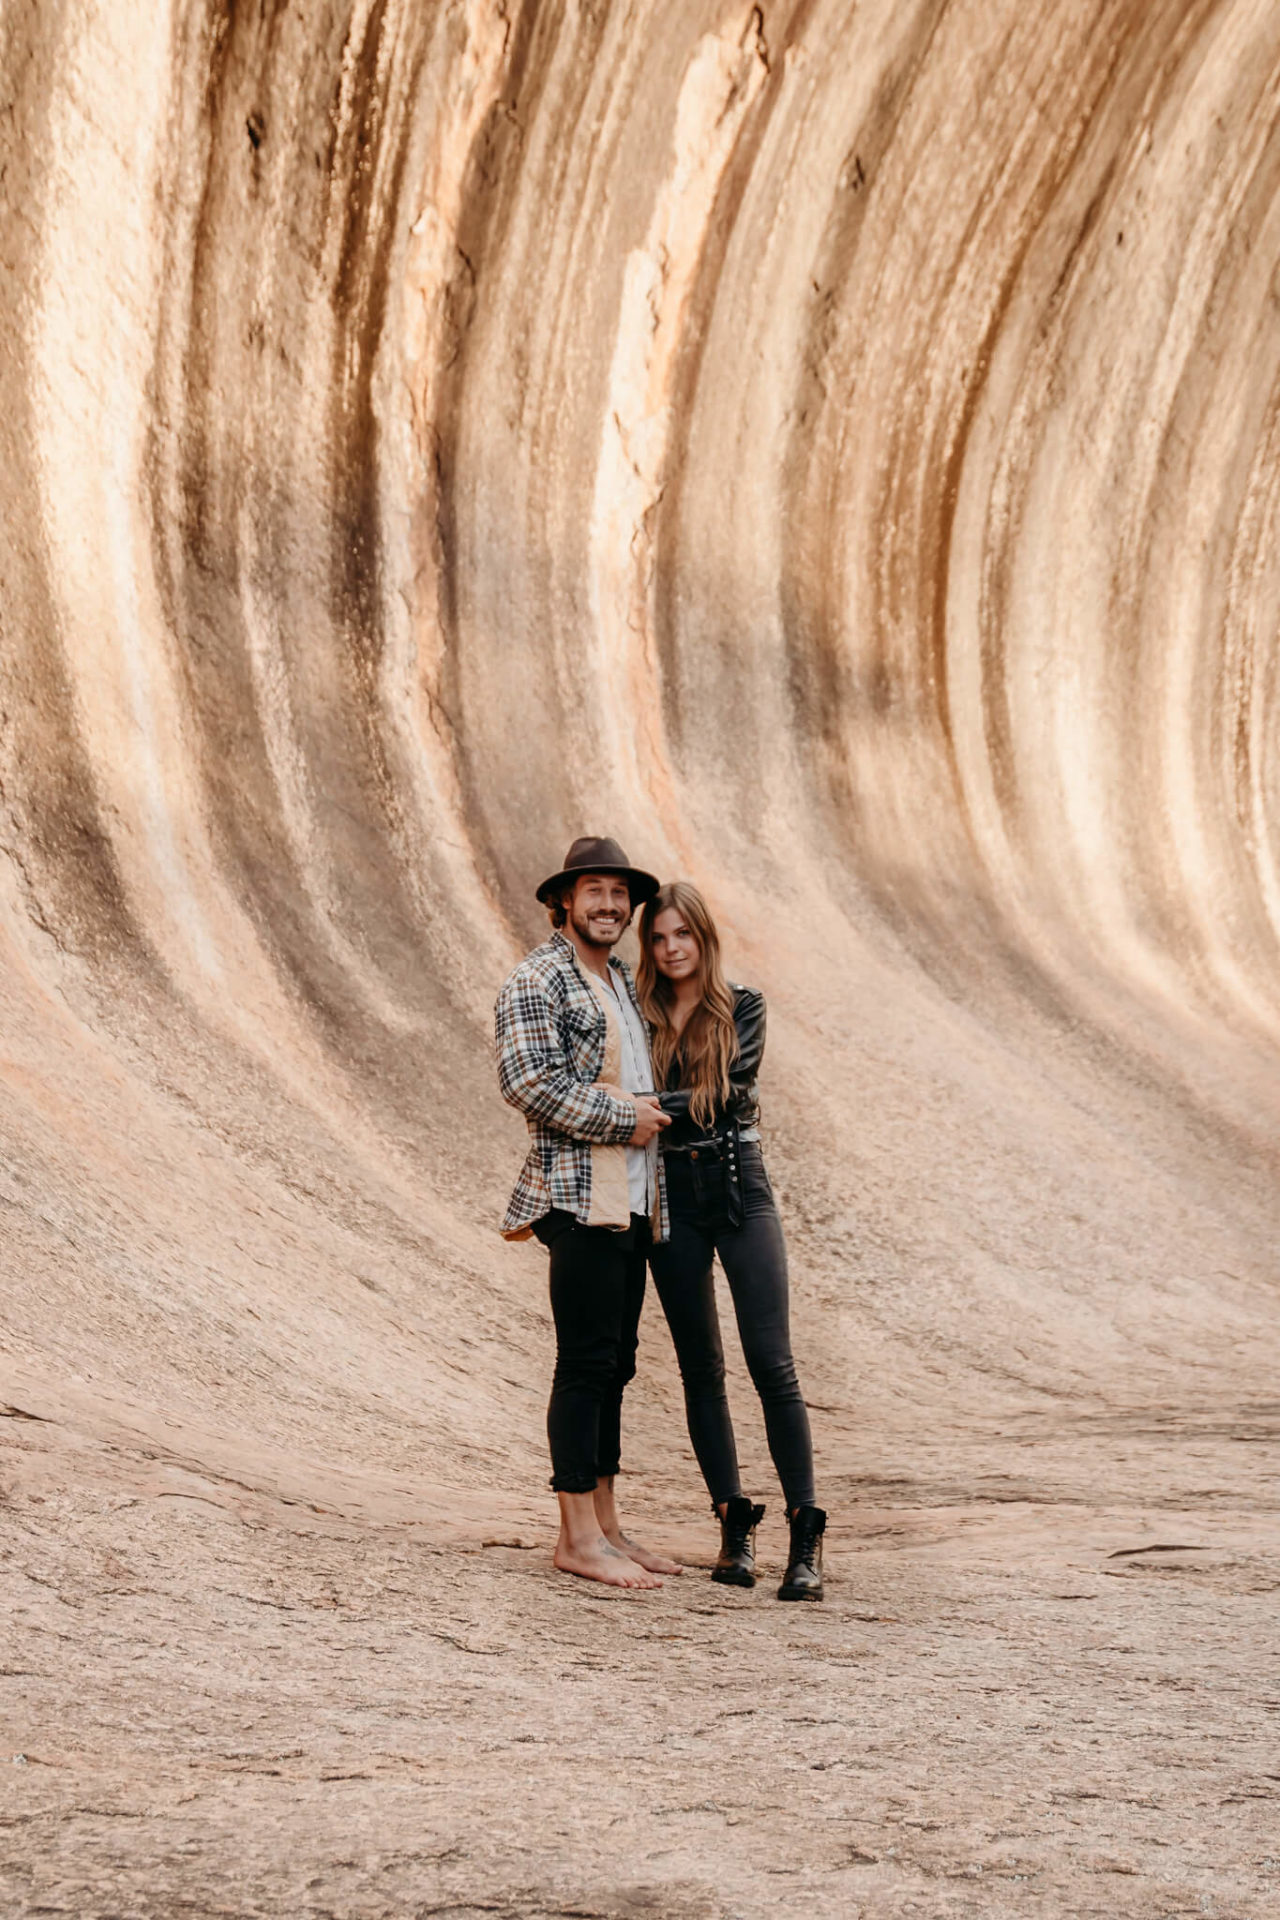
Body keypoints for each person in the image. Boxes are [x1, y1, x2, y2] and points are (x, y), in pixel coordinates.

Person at [495, 835, 679, 1590]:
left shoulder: (625, 982)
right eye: (593, 890)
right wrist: (623, 1122)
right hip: (577, 1196)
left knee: (618, 1365)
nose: (609, 904)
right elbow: (528, 1083)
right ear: (562, 902)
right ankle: (574, 1535)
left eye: (618, 893)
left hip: (633, 1198)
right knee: (584, 1364)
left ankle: (606, 1525)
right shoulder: (536, 980)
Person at [637, 881, 826, 1601]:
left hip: (738, 1185)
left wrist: (643, 1107)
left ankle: (805, 1537)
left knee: (771, 1363)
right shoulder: (641, 1012)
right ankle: (733, 1524)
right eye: (658, 938)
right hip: (671, 1199)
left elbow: (726, 1092)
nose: (671, 948)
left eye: (683, 934)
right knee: (699, 1370)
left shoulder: (741, 1006)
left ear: (704, 938)